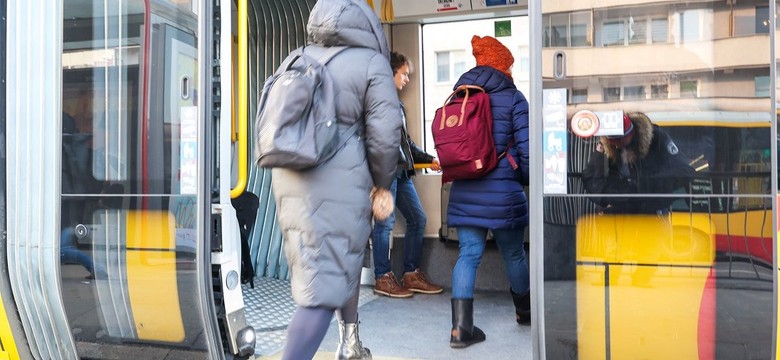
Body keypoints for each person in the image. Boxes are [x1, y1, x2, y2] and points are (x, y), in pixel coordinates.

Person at [270, 1, 402, 359]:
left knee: (339, 261)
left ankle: (350, 343)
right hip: (339, 178)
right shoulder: (372, 64)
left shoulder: (296, 58)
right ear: (369, 27)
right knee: (322, 288)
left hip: (291, 177)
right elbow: (385, 137)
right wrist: (382, 184)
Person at [447, 35, 531, 349]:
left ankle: (460, 330)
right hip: (503, 191)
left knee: (468, 255)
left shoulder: (459, 96)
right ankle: (524, 312)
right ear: (503, 67)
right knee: (514, 253)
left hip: (465, 189)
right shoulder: (514, 98)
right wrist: (520, 178)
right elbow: (527, 150)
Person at [371, 51, 443, 298]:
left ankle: (411, 274)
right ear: (390, 73)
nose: (407, 79)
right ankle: (382, 277)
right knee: (385, 223)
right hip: (385, 172)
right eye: (403, 74)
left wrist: (429, 159)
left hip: (400, 171)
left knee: (418, 219)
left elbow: (406, 144)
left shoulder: (396, 104)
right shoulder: (375, 103)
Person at [582, 112, 696, 214]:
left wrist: (646, 185)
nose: (616, 146)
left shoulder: (656, 138)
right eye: (612, 142)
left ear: (632, 134)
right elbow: (591, 179)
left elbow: (685, 172)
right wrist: (610, 196)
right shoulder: (607, 147)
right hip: (619, 215)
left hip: (654, 213)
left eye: (620, 140)